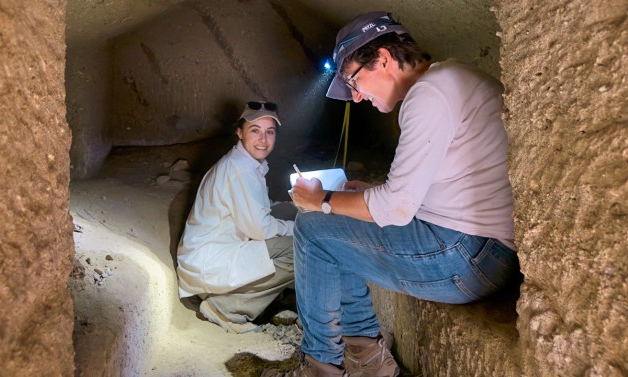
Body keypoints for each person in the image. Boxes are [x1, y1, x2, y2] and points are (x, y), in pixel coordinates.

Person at [262, 11, 520, 377]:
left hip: (467, 255)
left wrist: (321, 200)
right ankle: (369, 363)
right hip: (482, 249)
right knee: (340, 221)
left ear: (383, 59)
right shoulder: (449, 78)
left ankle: (321, 368)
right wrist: (364, 194)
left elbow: (396, 209)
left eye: (353, 80)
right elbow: (437, 185)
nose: (354, 97)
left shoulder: (428, 95)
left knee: (312, 228)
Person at [176, 101, 296, 334]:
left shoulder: (245, 162)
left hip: (217, 251)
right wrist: (297, 227)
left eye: (269, 132)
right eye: (255, 131)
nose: (263, 139)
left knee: (291, 212)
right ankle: (226, 307)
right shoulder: (239, 169)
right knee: (299, 247)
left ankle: (273, 289)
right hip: (210, 263)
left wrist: (294, 209)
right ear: (239, 133)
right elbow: (260, 229)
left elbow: (259, 208)